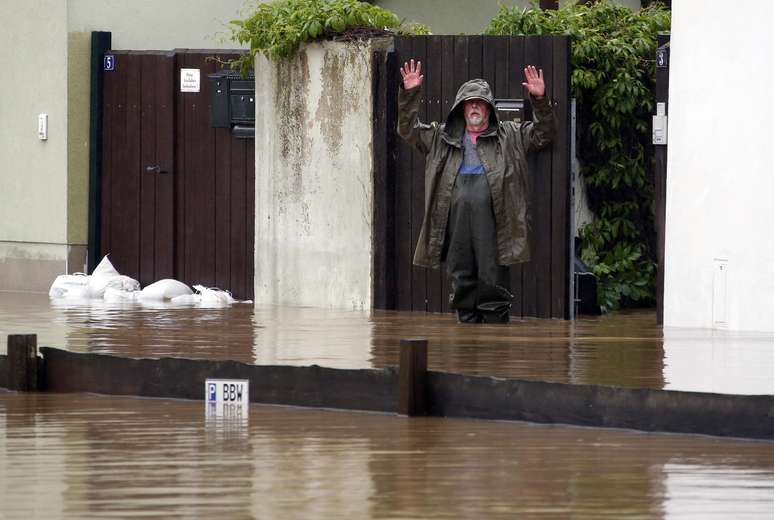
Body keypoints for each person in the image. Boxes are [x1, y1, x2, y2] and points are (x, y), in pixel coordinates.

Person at [397, 60, 556, 323]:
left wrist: (539, 100)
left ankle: (494, 338)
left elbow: (544, 133)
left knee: (493, 278)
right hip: (456, 224)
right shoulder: (440, 138)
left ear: (489, 108)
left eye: (479, 102)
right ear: (460, 109)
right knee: (460, 276)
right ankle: (466, 335)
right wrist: (410, 93)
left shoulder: (511, 136)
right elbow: (408, 130)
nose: (474, 107)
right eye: (469, 103)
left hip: (495, 224)